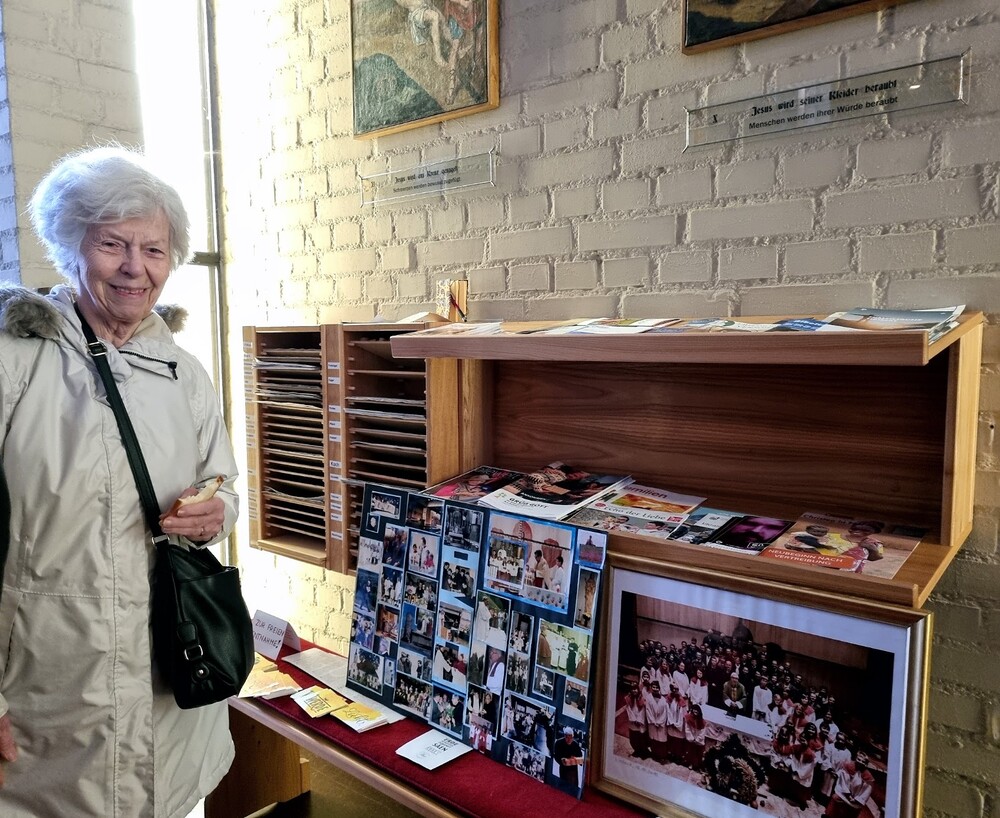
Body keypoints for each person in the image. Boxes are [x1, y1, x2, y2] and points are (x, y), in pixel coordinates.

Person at [0, 147, 240, 817]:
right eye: (113, 244)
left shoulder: (183, 373)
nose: (136, 267)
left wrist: (217, 513)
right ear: (70, 246)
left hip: (169, 680)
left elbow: (222, 485)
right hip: (50, 695)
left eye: (154, 250)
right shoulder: (15, 361)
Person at [552, 726, 584, 793]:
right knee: (564, 787)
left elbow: (580, 756)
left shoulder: (575, 744)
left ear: (572, 736)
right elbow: (556, 756)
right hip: (563, 769)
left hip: (573, 770)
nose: (569, 739)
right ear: (564, 736)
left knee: (573, 788)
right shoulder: (559, 743)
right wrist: (562, 761)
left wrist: (575, 759)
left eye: (570, 737)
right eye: (567, 737)